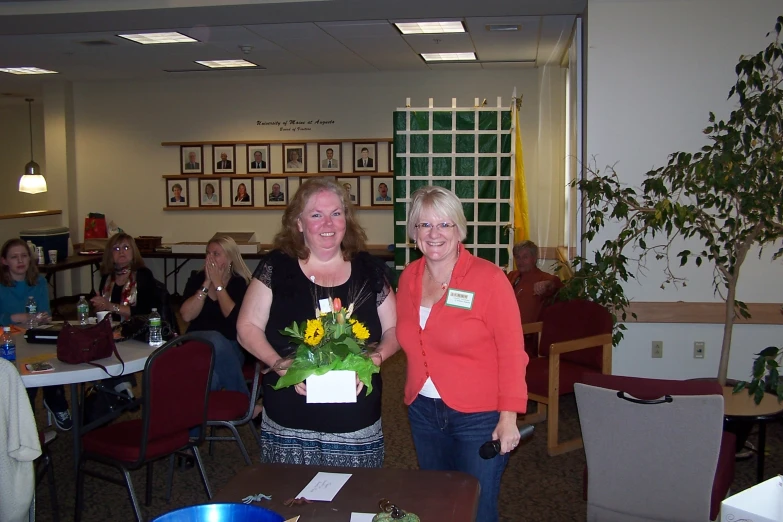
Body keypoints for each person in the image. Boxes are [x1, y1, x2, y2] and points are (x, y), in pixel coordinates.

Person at [237, 178, 398, 467]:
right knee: (290, 503)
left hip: (354, 419)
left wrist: (373, 360)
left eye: (336, 213)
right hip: (290, 417)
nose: (328, 223)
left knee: (352, 501)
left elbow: (395, 330)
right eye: (316, 215)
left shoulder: (369, 269)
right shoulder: (277, 267)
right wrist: (279, 363)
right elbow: (246, 328)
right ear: (298, 223)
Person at [396, 185, 528, 522]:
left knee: (476, 508)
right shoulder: (408, 278)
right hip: (423, 412)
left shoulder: (488, 278)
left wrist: (509, 416)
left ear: (459, 230)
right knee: (437, 503)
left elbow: (513, 352)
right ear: (414, 232)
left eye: (445, 224)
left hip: (479, 416)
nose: (434, 233)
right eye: (425, 225)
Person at [0, 238, 73, 431]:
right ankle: (26, 419)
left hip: (33, 333)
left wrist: (40, 317)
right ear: (4, 261)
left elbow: (45, 313)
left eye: (24, 256)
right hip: (7, 338)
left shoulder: (39, 280)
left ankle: (56, 401)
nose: (20, 260)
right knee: (23, 373)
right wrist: (13, 317)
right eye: (14, 257)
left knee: (53, 361)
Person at [180, 235, 257, 406]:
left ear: (230, 258)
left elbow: (234, 319)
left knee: (210, 378)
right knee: (212, 339)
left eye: (216, 254)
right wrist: (207, 283)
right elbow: (186, 316)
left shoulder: (241, 283)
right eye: (208, 253)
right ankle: (247, 405)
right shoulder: (197, 279)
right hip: (196, 345)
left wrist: (219, 284)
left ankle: (194, 432)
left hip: (230, 346)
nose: (210, 258)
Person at [91, 234, 161, 397]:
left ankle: (120, 388)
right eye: (116, 249)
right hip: (111, 330)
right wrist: (97, 304)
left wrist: (111, 307)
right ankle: (120, 388)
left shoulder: (143, 275)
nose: (121, 252)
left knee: (110, 346)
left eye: (126, 248)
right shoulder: (107, 277)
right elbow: (100, 309)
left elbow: (145, 312)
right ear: (110, 254)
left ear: (133, 252)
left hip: (137, 331)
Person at [507, 240, 562, 325]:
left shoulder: (543, 278)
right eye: (517, 257)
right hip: (506, 328)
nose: (520, 261)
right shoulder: (512, 275)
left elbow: (555, 283)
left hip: (528, 333)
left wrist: (547, 284)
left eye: (525, 257)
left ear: (534, 258)